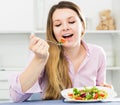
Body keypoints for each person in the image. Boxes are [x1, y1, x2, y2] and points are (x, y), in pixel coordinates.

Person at [8, 1, 112, 102]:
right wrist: (39, 60)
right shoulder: (42, 54)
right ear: (52, 31)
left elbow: (98, 91)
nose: (65, 28)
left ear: (83, 25)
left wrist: (105, 91)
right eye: (58, 24)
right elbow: (16, 97)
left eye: (71, 22)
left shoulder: (98, 53)